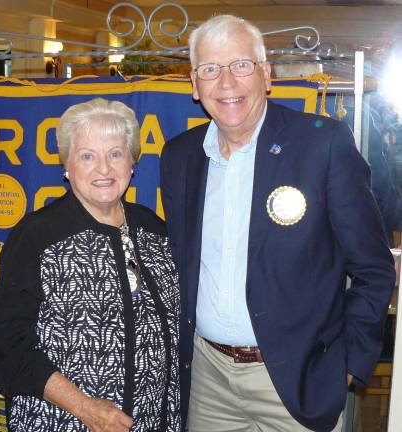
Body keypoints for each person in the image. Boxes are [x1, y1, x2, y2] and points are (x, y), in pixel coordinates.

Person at [160, 14, 395, 432]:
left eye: (241, 65)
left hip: (299, 380)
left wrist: (346, 364)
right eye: (210, 69)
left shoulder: (323, 145)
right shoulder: (180, 156)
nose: (226, 82)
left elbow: (373, 269)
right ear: (194, 85)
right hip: (208, 381)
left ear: (266, 75)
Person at [0, 98, 181, 432]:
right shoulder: (38, 236)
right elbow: (7, 342)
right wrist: (85, 408)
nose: (103, 169)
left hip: (156, 420)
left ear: (132, 163)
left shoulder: (153, 228)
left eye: (115, 154)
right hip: (64, 421)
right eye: (87, 156)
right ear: (67, 166)